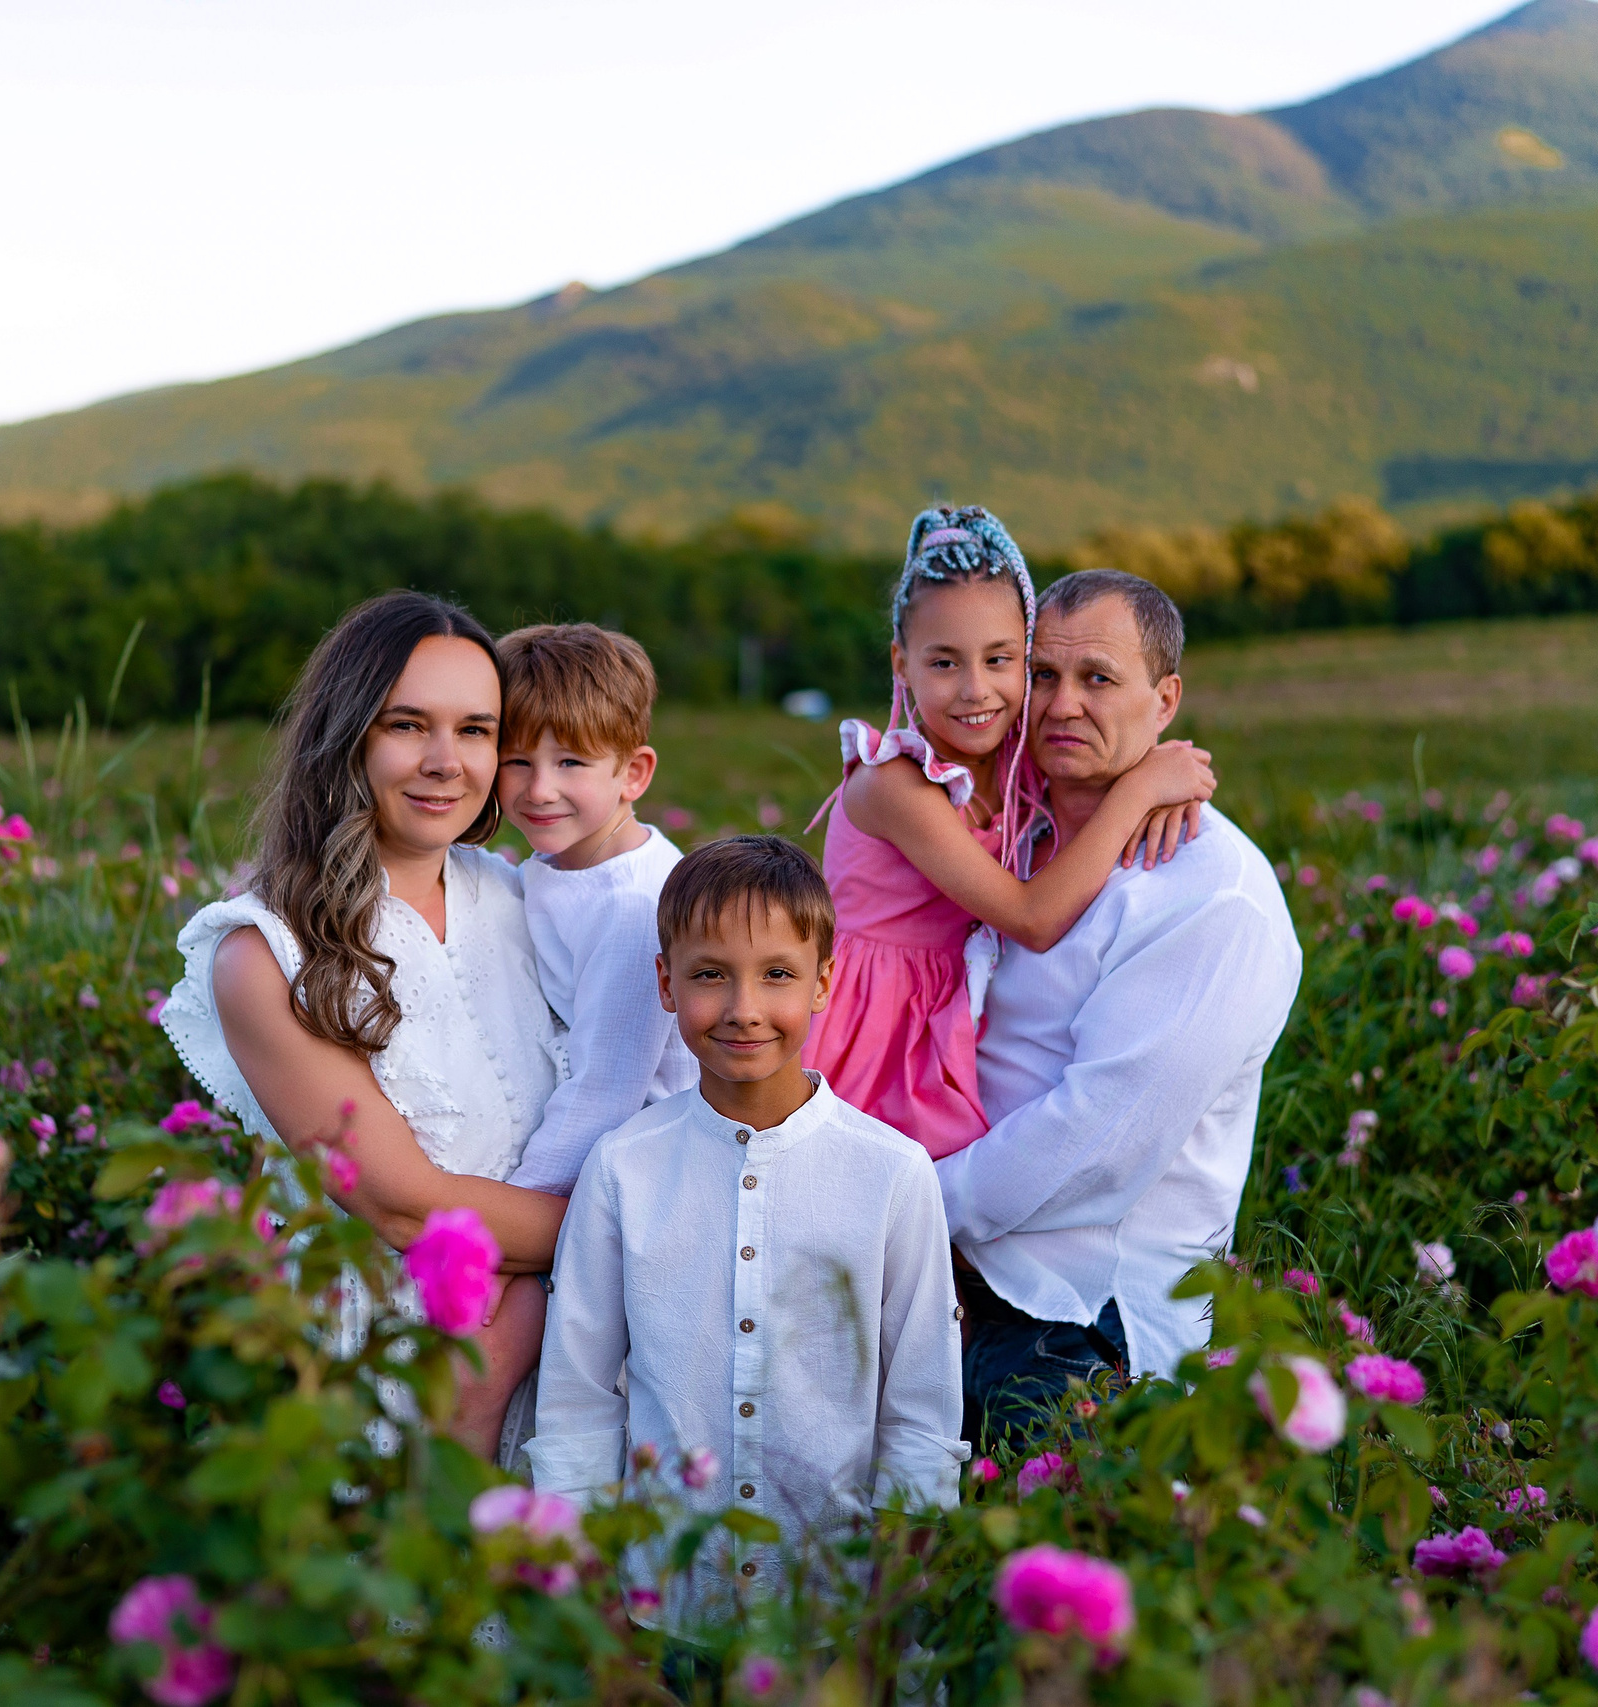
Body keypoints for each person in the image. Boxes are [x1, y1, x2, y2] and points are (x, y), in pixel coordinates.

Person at [159, 589, 569, 1458]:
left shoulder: (529, 898)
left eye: (476, 730)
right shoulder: (266, 951)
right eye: (406, 724)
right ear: (346, 735)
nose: (445, 761)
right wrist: (655, 1222)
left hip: (567, 1376)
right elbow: (402, 1205)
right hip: (391, 1384)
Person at [527, 836, 966, 1625]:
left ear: (825, 979)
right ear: (666, 982)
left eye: (777, 974)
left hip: (834, 1614)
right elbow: (577, 1403)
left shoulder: (894, 1173)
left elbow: (921, 1419)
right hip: (663, 1611)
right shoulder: (621, 1168)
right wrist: (596, 1619)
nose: (743, 1009)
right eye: (709, 975)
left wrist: (892, 1616)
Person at [938, 570, 1304, 1440]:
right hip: (948, 1281)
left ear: (1165, 699)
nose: (1063, 704)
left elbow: (1093, 1142)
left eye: (1098, 677)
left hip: (1074, 1320)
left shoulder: (1213, 894)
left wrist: (892, 1209)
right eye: (1043, 676)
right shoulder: (1010, 840)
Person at [804, 504, 1214, 1159]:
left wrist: (1161, 775)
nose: (976, 691)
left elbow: (1103, 758)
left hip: (944, 1016)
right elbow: (1031, 917)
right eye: (944, 663)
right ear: (901, 662)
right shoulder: (897, 784)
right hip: (868, 1030)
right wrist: (1141, 790)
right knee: (878, 1205)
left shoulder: (1008, 759)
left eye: (1000, 660)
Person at [493, 623, 698, 1195]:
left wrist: (512, 1213)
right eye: (516, 761)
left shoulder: (633, 907)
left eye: (571, 763)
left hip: (643, 1171)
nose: (538, 790)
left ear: (632, 774)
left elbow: (604, 1093)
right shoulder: (565, 863)